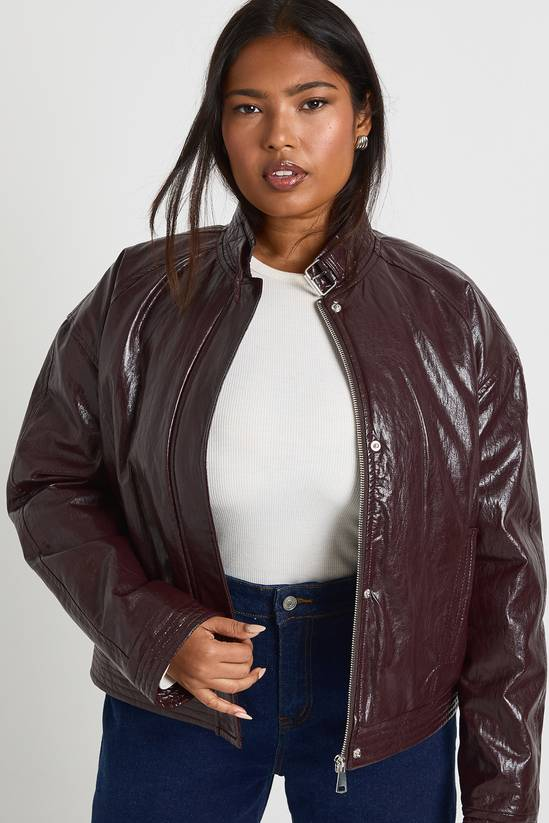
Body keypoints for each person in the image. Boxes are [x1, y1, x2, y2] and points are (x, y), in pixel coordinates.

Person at [6, 1, 546, 821]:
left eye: (311, 102)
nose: (279, 137)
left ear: (361, 117)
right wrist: (156, 633)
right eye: (247, 107)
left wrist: (502, 802)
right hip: (187, 690)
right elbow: (47, 483)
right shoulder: (138, 295)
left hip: (387, 697)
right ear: (219, 126)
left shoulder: (449, 315)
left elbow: (504, 569)